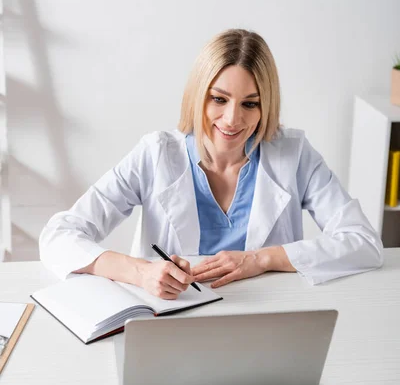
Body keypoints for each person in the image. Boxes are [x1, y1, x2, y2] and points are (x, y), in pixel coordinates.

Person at [39, 29, 383, 298]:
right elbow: (59, 235)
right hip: (172, 321)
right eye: (219, 99)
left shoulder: (293, 154)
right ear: (198, 95)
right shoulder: (156, 154)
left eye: (250, 104)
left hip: (269, 317)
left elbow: (363, 243)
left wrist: (261, 259)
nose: (232, 119)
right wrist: (140, 272)